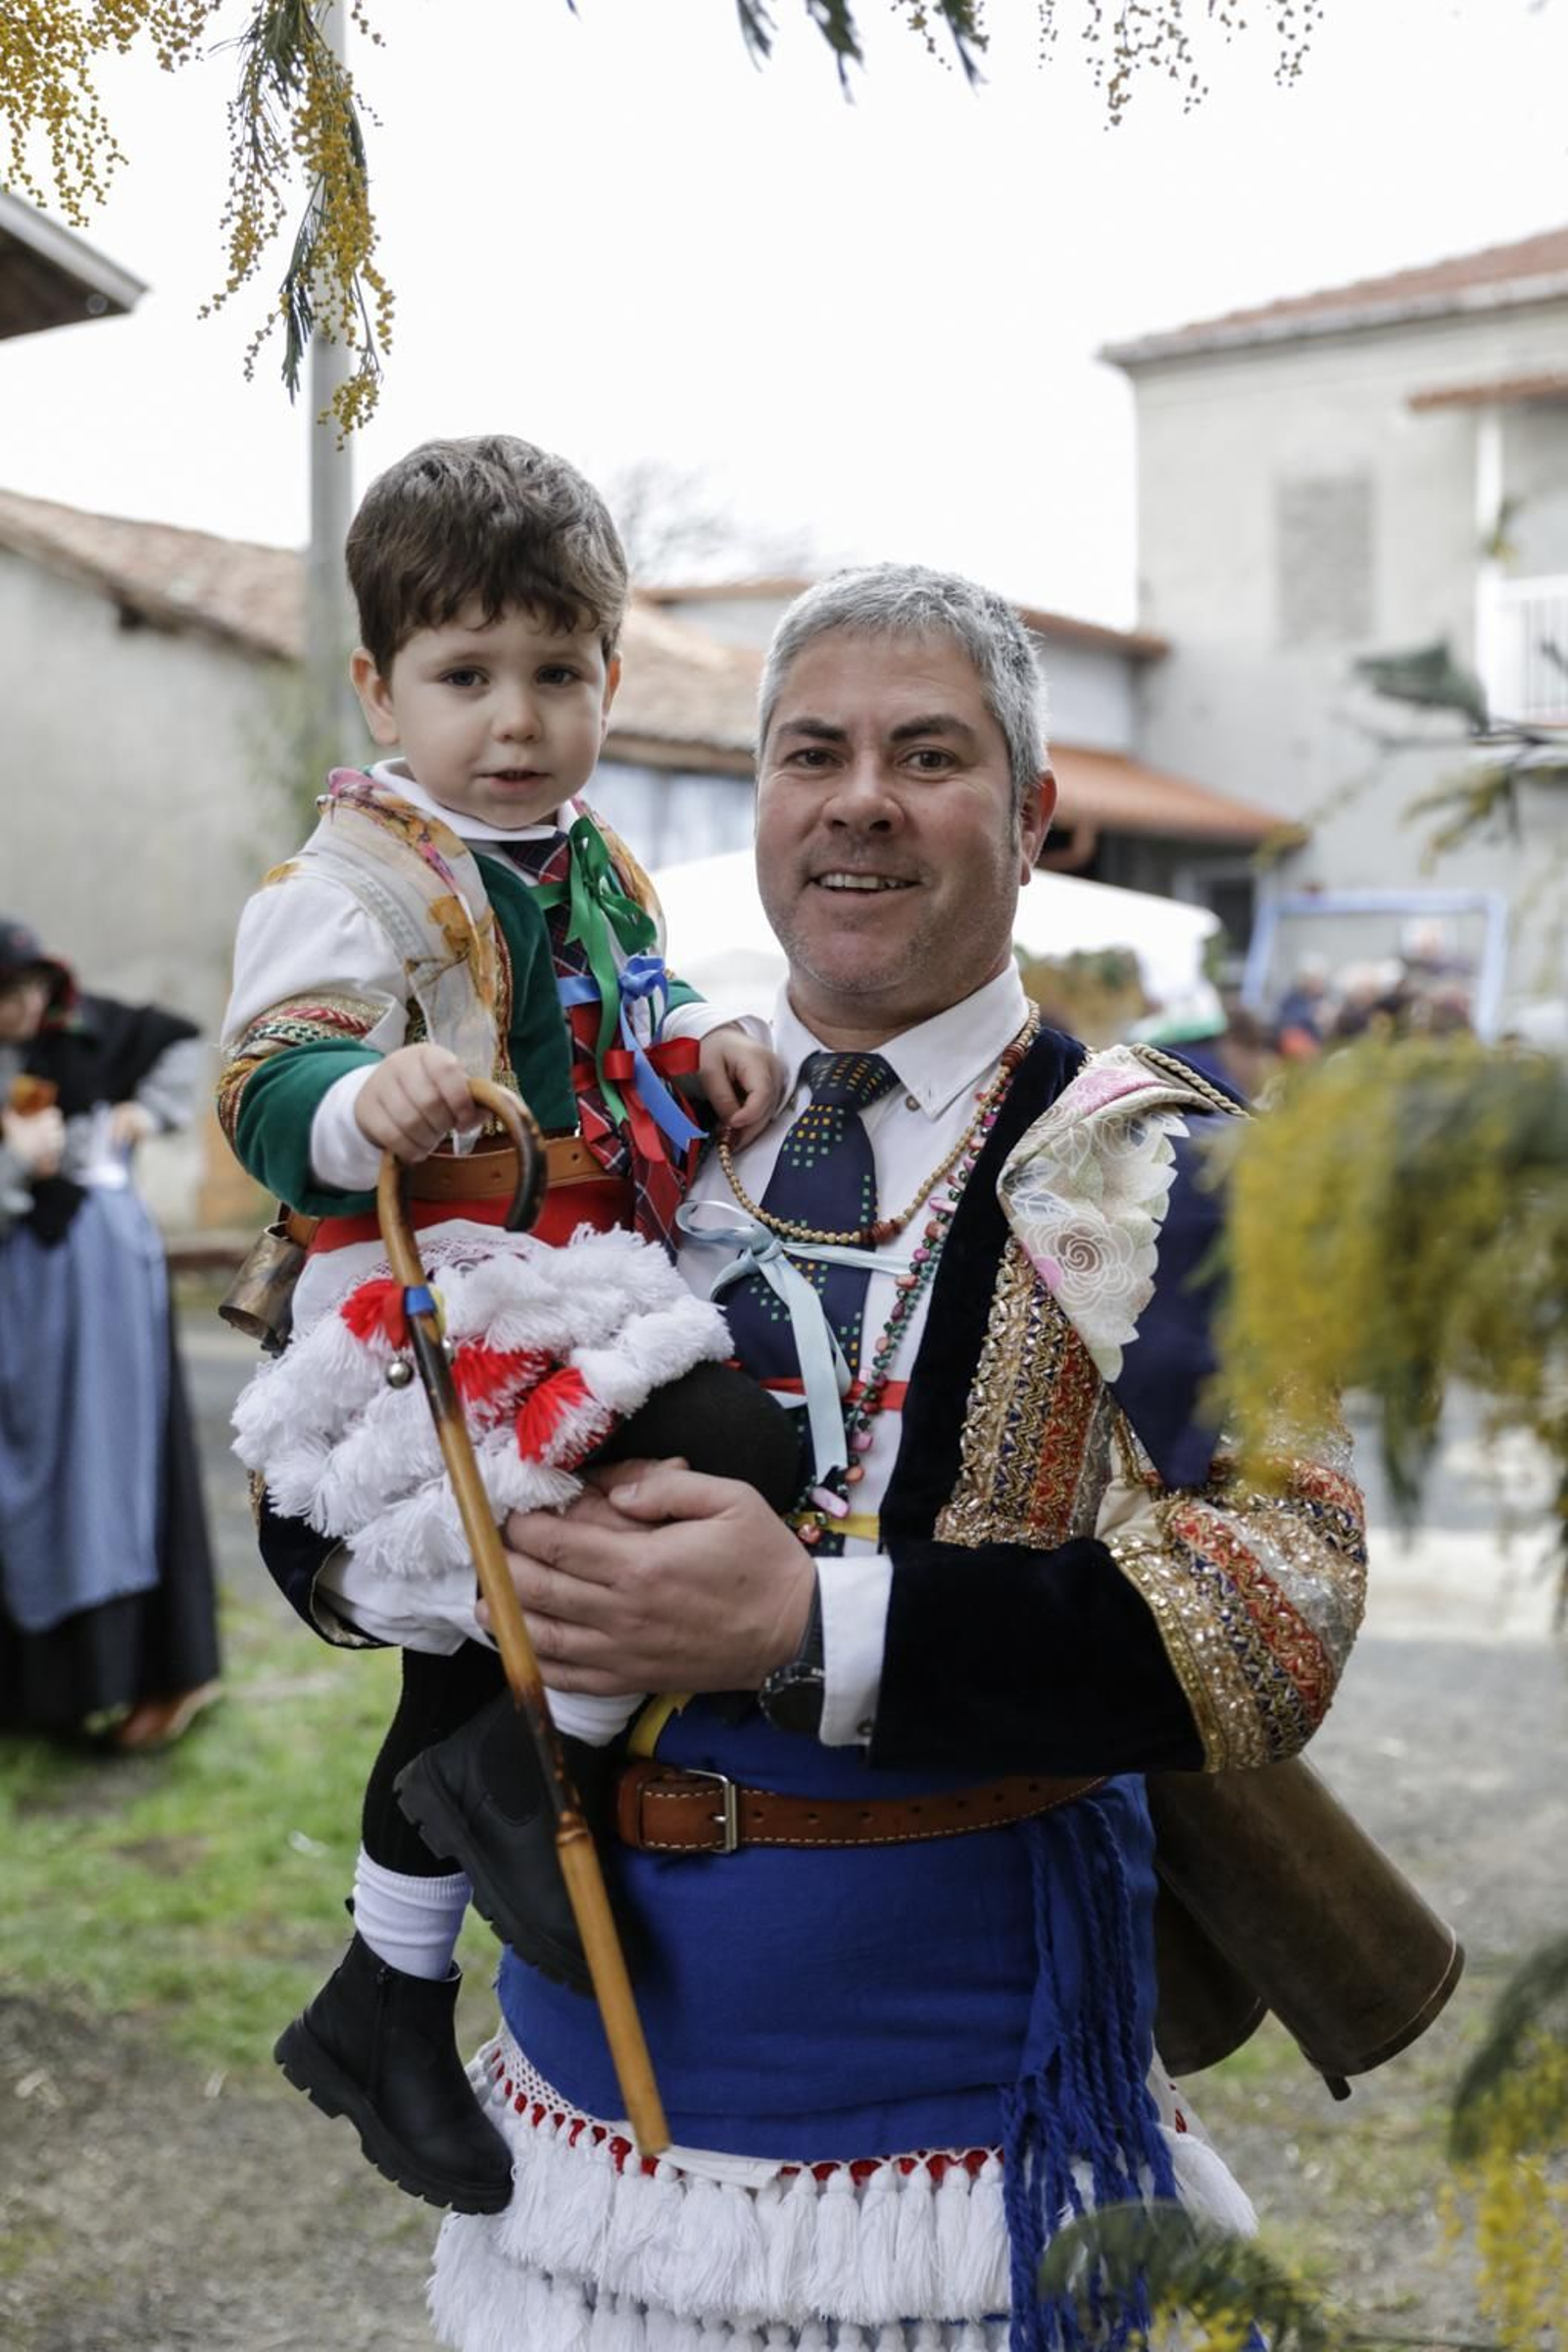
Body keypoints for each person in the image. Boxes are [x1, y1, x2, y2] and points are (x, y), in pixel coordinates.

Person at [259, 564, 1367, 2349]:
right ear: (761, 800)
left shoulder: (1179, 1173)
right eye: (811, 754)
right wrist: (459, 1561)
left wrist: (809, 1628)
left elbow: (1283, 1605)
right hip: (584, 2114)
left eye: (927, 756)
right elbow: (296, 1479)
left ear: (1031, 818)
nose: (858, 798)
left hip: (962, 2129)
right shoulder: (602, 1115)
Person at [220, 434, 789, 2221]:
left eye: (560, 674)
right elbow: (262, 1068)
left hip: (580, 1277)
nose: (518, 719)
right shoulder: (358, 877)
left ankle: (390, 1990)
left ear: (611, 677)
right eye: (468, 678)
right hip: (428, 1296)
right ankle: (508, 1787)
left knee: (489, 1644)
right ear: (385, 688)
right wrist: (353, 1093)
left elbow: (641, 1008)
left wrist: (704, 1052)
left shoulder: (593, 859)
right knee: (731, 1451)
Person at [0, 919, 220, 1749]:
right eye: (3, 999)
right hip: (18, 1295)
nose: (19, 1013)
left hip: (99, 1296)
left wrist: (140, 1114)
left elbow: (174, 1039)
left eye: (28, 994)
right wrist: (19, 1160)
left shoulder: (90, 1030)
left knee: (110, 1467)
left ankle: (156, 1673)